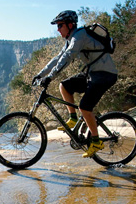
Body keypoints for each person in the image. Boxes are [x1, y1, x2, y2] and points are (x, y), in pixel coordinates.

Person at [33, 10, 118, 157]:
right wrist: (40, 74)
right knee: (64, 86)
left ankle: (96, 141)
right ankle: (73, 118)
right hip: (92, 73)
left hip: (105, 75)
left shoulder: (79, 36)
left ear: (70, 25)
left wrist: (50, 77)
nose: (58, 29)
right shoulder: (71, 39)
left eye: (60, 25)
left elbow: (67, 57)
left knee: (85, 107)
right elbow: (58, 58)